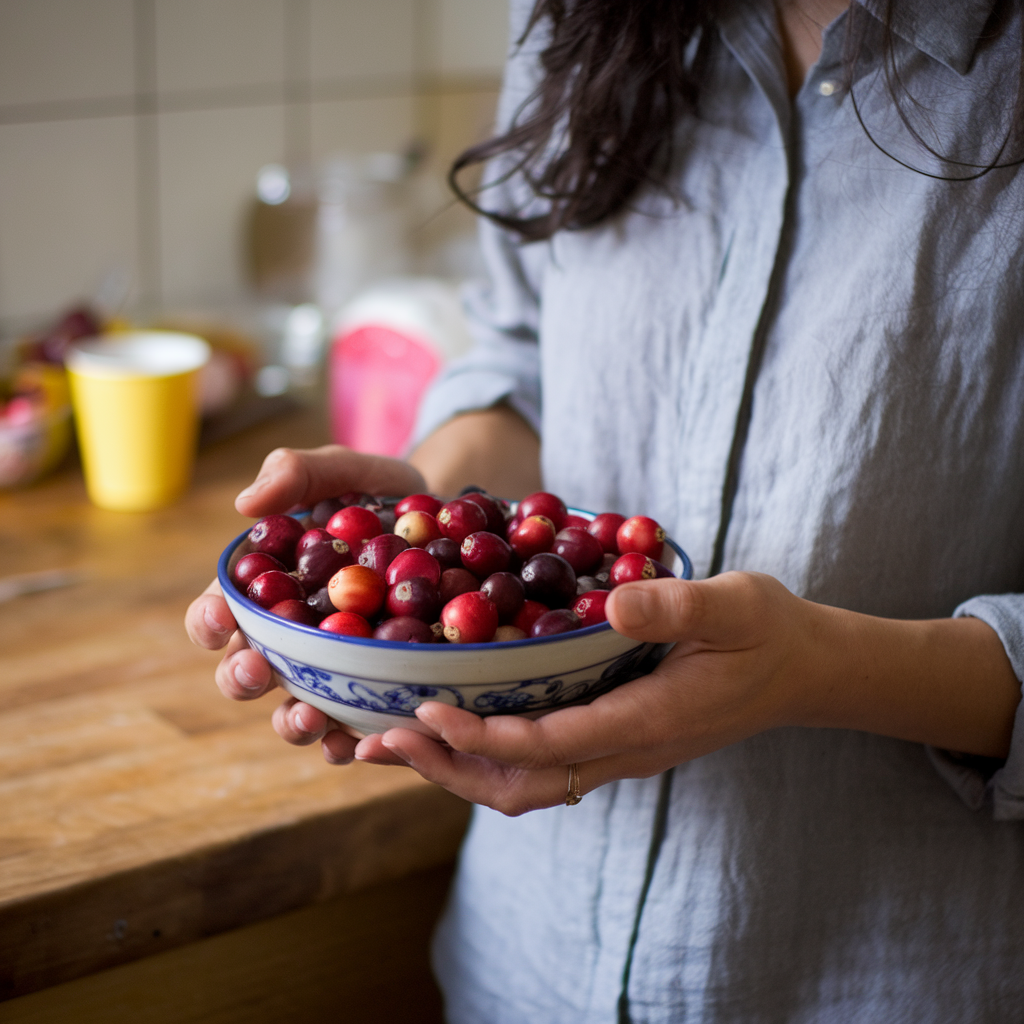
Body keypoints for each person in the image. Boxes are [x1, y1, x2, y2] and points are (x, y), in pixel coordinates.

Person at [187, 0, 1024, 1019]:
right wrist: (429, 510)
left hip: (880, 975)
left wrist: (815, 667)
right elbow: (522, 359)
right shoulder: (577, 16)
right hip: (525, 968)